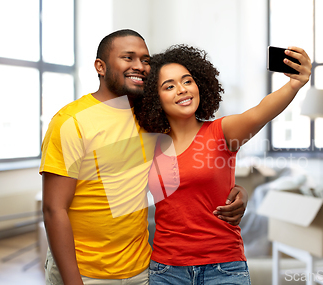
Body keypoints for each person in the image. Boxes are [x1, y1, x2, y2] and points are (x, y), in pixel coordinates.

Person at [40, 29, 248, 285]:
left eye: (145, 60)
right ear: (100, 66)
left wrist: (237, 191)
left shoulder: (149, 120)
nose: (139, 66)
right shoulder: (70, 121)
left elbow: (193, 166)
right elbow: (53, 209)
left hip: (141, 270)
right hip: (84, 272)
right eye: (128, 58)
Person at [133, 44, 312, 284]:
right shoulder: (149, 143)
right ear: (155, 97)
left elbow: (260, 112)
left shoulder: (221, 132)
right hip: (167, 271)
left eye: (187, 81)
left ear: (199, 85)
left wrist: (294, 84)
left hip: (223, 268)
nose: (182, 90)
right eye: (169, 86)